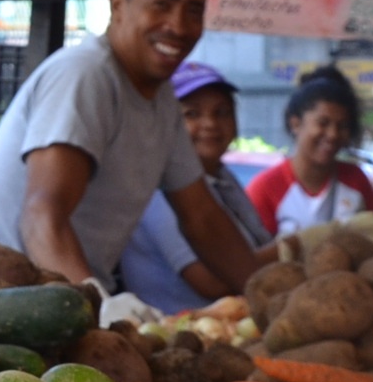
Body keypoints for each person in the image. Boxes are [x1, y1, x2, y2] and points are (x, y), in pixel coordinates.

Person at [0, 0, 263, 300]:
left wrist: (268, 298)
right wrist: (99, 309)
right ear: (118, 5)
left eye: (193, 11)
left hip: (68, 300)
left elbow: (202, 218)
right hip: (7, 303)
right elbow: (42, 215)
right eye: (161, 5)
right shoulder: (86, 75)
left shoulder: (163, 99)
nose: (179, 26)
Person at [117, 61, 275, 311]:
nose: (211, 124)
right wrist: (293, 248)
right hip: (178, 335)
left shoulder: (223, 178)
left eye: (222, 112)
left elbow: (257, 244)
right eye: (192, 114)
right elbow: (211, 282)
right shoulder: (158, 189)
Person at [245, 67, 373, 234]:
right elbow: (251, 256)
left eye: (342, 126)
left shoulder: (357, 181)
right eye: (323, 123)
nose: (332, 135)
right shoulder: (264, 189)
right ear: (295, 124)